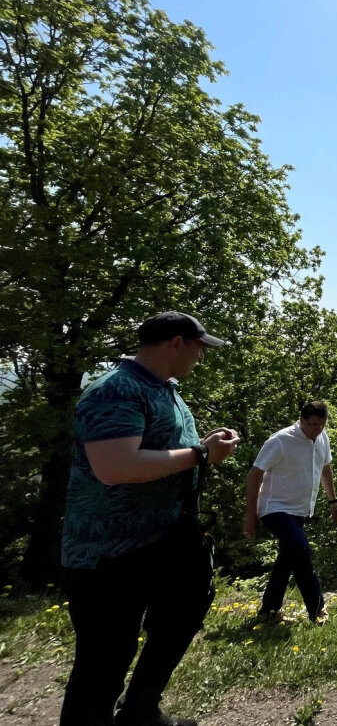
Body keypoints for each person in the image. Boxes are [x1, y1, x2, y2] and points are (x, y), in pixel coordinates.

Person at [60, 311, 240, 726]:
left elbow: (165, 451)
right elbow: (115, 467)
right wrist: (200, 455)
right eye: (199, 348)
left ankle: (140, 710)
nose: (201, 356)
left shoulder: (163, 389)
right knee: (104, 661)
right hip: (110, 556)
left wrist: (203, 445)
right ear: (177, 343)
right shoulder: (116, 390)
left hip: (166, 542)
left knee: (183, 614)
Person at [243, 401, 337, 624]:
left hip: (300, 510)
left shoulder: (322, 438)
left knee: (287, 558)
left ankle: (269, 612)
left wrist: (332, 500)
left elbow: (325, 469)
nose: (316, 430)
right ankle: (317, 609)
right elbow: (255, 474)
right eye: (312, 424)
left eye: (322, 425)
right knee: (300, 550)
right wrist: (250, 514)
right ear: (302, 420)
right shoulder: (281, 440)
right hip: (275, 508)